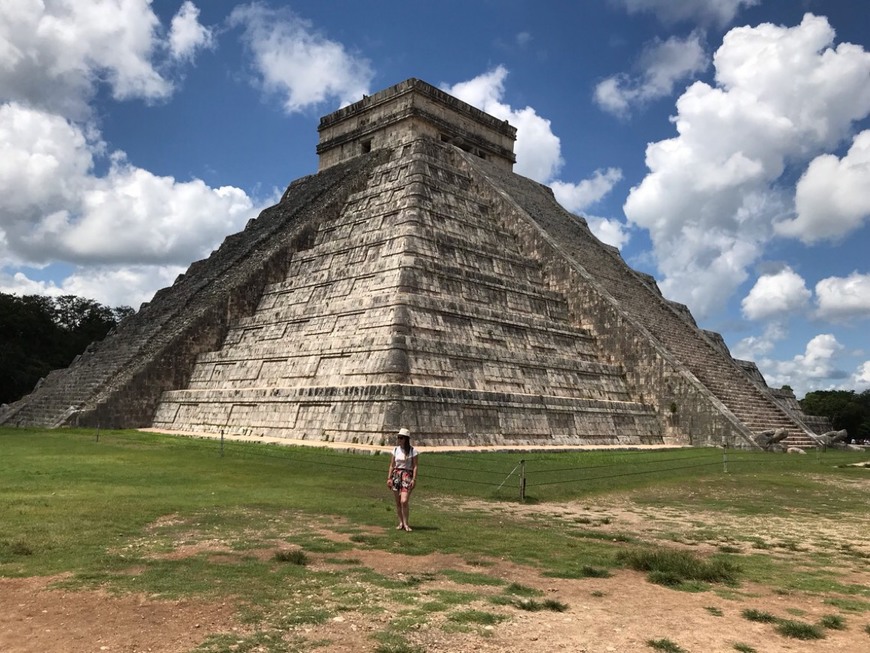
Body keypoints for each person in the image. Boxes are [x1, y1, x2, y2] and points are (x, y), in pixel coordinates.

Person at [386, 427, 418, 532]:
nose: (399, 440)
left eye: (401, 438)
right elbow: (392, 465)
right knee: (398, 502)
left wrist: (414, 479)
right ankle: (401, 523)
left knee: (404, 500)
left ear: (406, 439)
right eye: (398, 438)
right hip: (396, 475)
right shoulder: (395, 450)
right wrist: (389, 478)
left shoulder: (413, 451)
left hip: (407, 475)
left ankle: (406, 523)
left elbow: (415, 466)